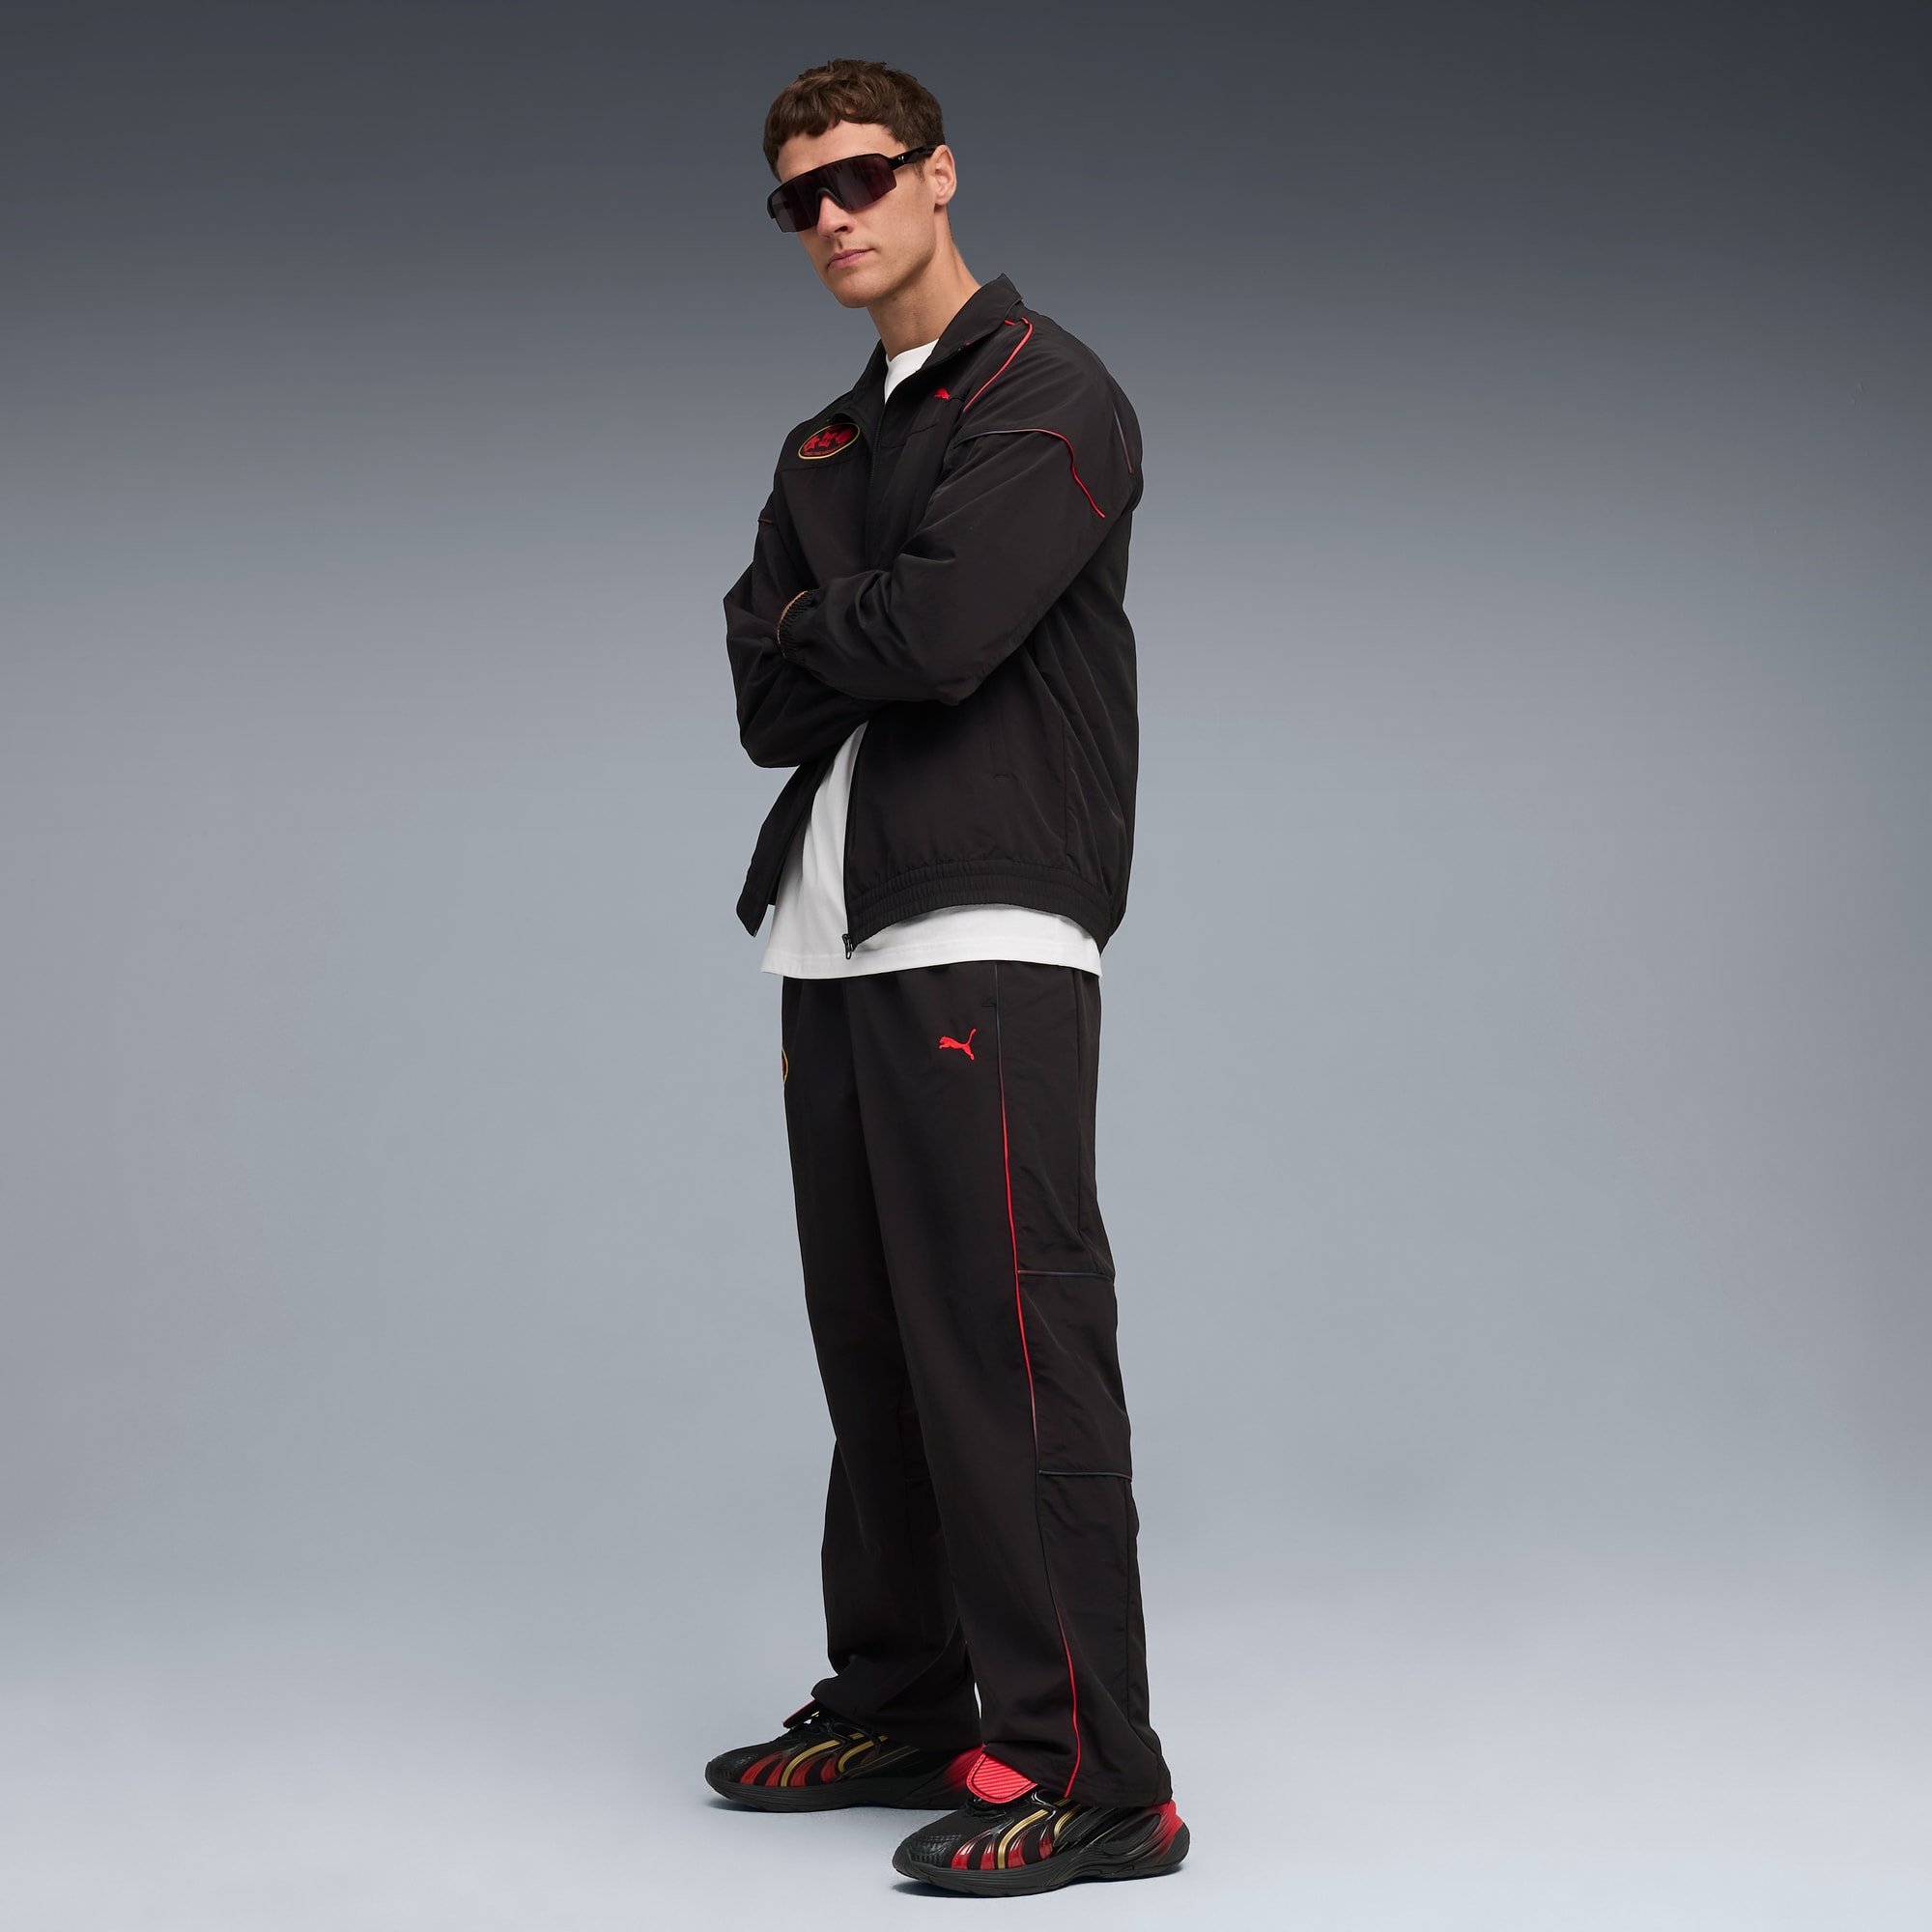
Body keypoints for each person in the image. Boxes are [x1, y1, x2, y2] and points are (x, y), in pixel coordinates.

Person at [711, 58, 1187, 1897]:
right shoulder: (826, 445)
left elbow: (939, 631)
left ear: (939, 174)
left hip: (983, 926)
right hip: (826, 935)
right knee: (878, 1350)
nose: (833, 217)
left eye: (861, 178)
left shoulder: (1053, 393)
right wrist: (855, 623)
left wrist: (833, 620)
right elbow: (766, 701)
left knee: (1009, 1351)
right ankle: (908, 1699)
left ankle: (1097, 1775)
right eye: (800, 198)